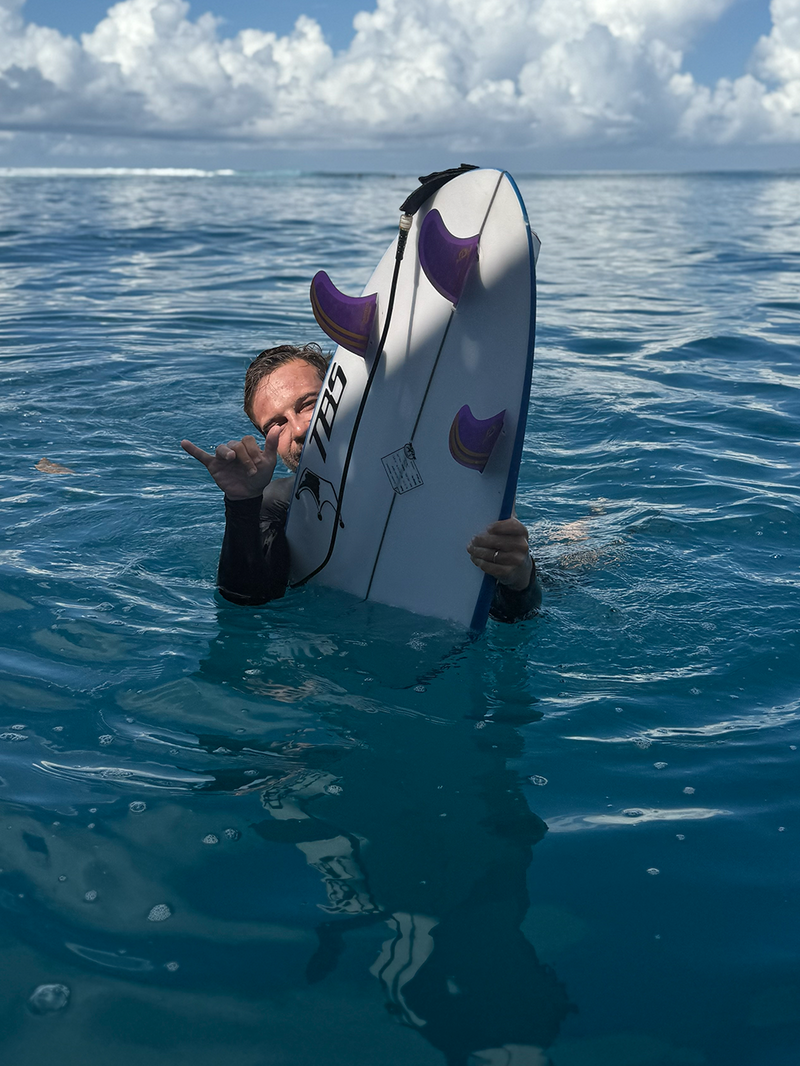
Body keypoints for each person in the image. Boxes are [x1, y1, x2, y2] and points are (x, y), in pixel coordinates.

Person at [181, 343, 541, 621]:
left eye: (308, 403)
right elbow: (247, 604)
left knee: (574, 559)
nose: (300, 428)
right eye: (276, 424)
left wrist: (519, 576)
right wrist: (241, 502)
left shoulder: (433, 463)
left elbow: (507, 615)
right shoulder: (277, 506)